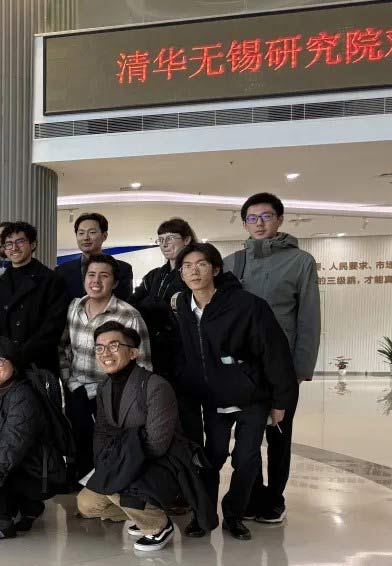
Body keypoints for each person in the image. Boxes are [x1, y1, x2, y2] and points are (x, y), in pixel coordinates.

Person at [173, 243, 298, 541]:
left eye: (201, 264)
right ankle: (203, 516)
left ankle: (235, 515)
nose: (194, 271)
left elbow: (275, 353)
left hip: (251, 397)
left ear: (216, 269)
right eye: (187, 266)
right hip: (213, 398)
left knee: (246, 460)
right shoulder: (183, 307)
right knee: (211, 457)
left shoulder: (248, 305)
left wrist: (281, 401)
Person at [76, 322, 217, 552]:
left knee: (116, 482)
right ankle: (141, 512)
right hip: (127, 455)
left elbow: (157, 444)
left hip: (162, 462)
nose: (105, 353)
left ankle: (158, 526)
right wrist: (107, 460)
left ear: (133, 353)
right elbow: (102, 431)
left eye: (113, 346)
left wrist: (119, 463)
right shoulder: (104, 388)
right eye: (99, 348)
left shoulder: (156, 386)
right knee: (87, 504)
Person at [224, 192, 320, 525]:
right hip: (241, 369)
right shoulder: (232, 263)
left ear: (280, 219)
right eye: (252, 218)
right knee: (247, 438)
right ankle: (252, 494)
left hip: (282, 367)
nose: (260, 223)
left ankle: (274, 499)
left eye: (266, 216)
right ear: (244, 224)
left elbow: (308, 319)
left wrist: (300, 370)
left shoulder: (301, 262)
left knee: (279, 436)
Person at [59, 253, 151, 480]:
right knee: (80, 444)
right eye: (91, 275)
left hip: (111, 392)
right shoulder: (74, 307)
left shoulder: (128, 315)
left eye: (104, 276)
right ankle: (85, 488)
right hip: (77, 389)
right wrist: (69, 380)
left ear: (115, 282)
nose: (96, 281)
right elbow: (63, 347)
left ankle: (106, 487)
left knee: (109, 449)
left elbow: (143, 364)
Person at [0, 337, 56, 541]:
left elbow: (11, 444)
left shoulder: (23, 396)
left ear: (14, 363)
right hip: (19, 467)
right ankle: (29, 507)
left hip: (38, 474)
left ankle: (2, 524)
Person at [130, 218, 200, 441]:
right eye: (160, 240)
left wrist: (155, 307)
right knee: (160, 412)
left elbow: (191, 310)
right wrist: (163, 306)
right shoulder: (155, 275)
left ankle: (193, 459)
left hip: (185, 354)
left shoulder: (195, 273)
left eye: (170, 238)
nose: (164, 244)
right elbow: (134, 305)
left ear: (187, 239)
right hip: (156, 353)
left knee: (188, 415)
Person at [0, 221, 68, 383]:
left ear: (33, 244)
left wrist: (20, 356)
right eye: (9, 244)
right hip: (3, 365)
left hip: (38, 365)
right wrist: (1, 354)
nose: (14, 248)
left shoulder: (51, 281)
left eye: (20, 241)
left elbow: (53, 327)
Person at [55, 213, 134, 302]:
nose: (85, 237)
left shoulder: (123, 268)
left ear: (104, 236)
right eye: (81, 233)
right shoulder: (61, 271)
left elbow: (124, 302)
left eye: (92, 232)